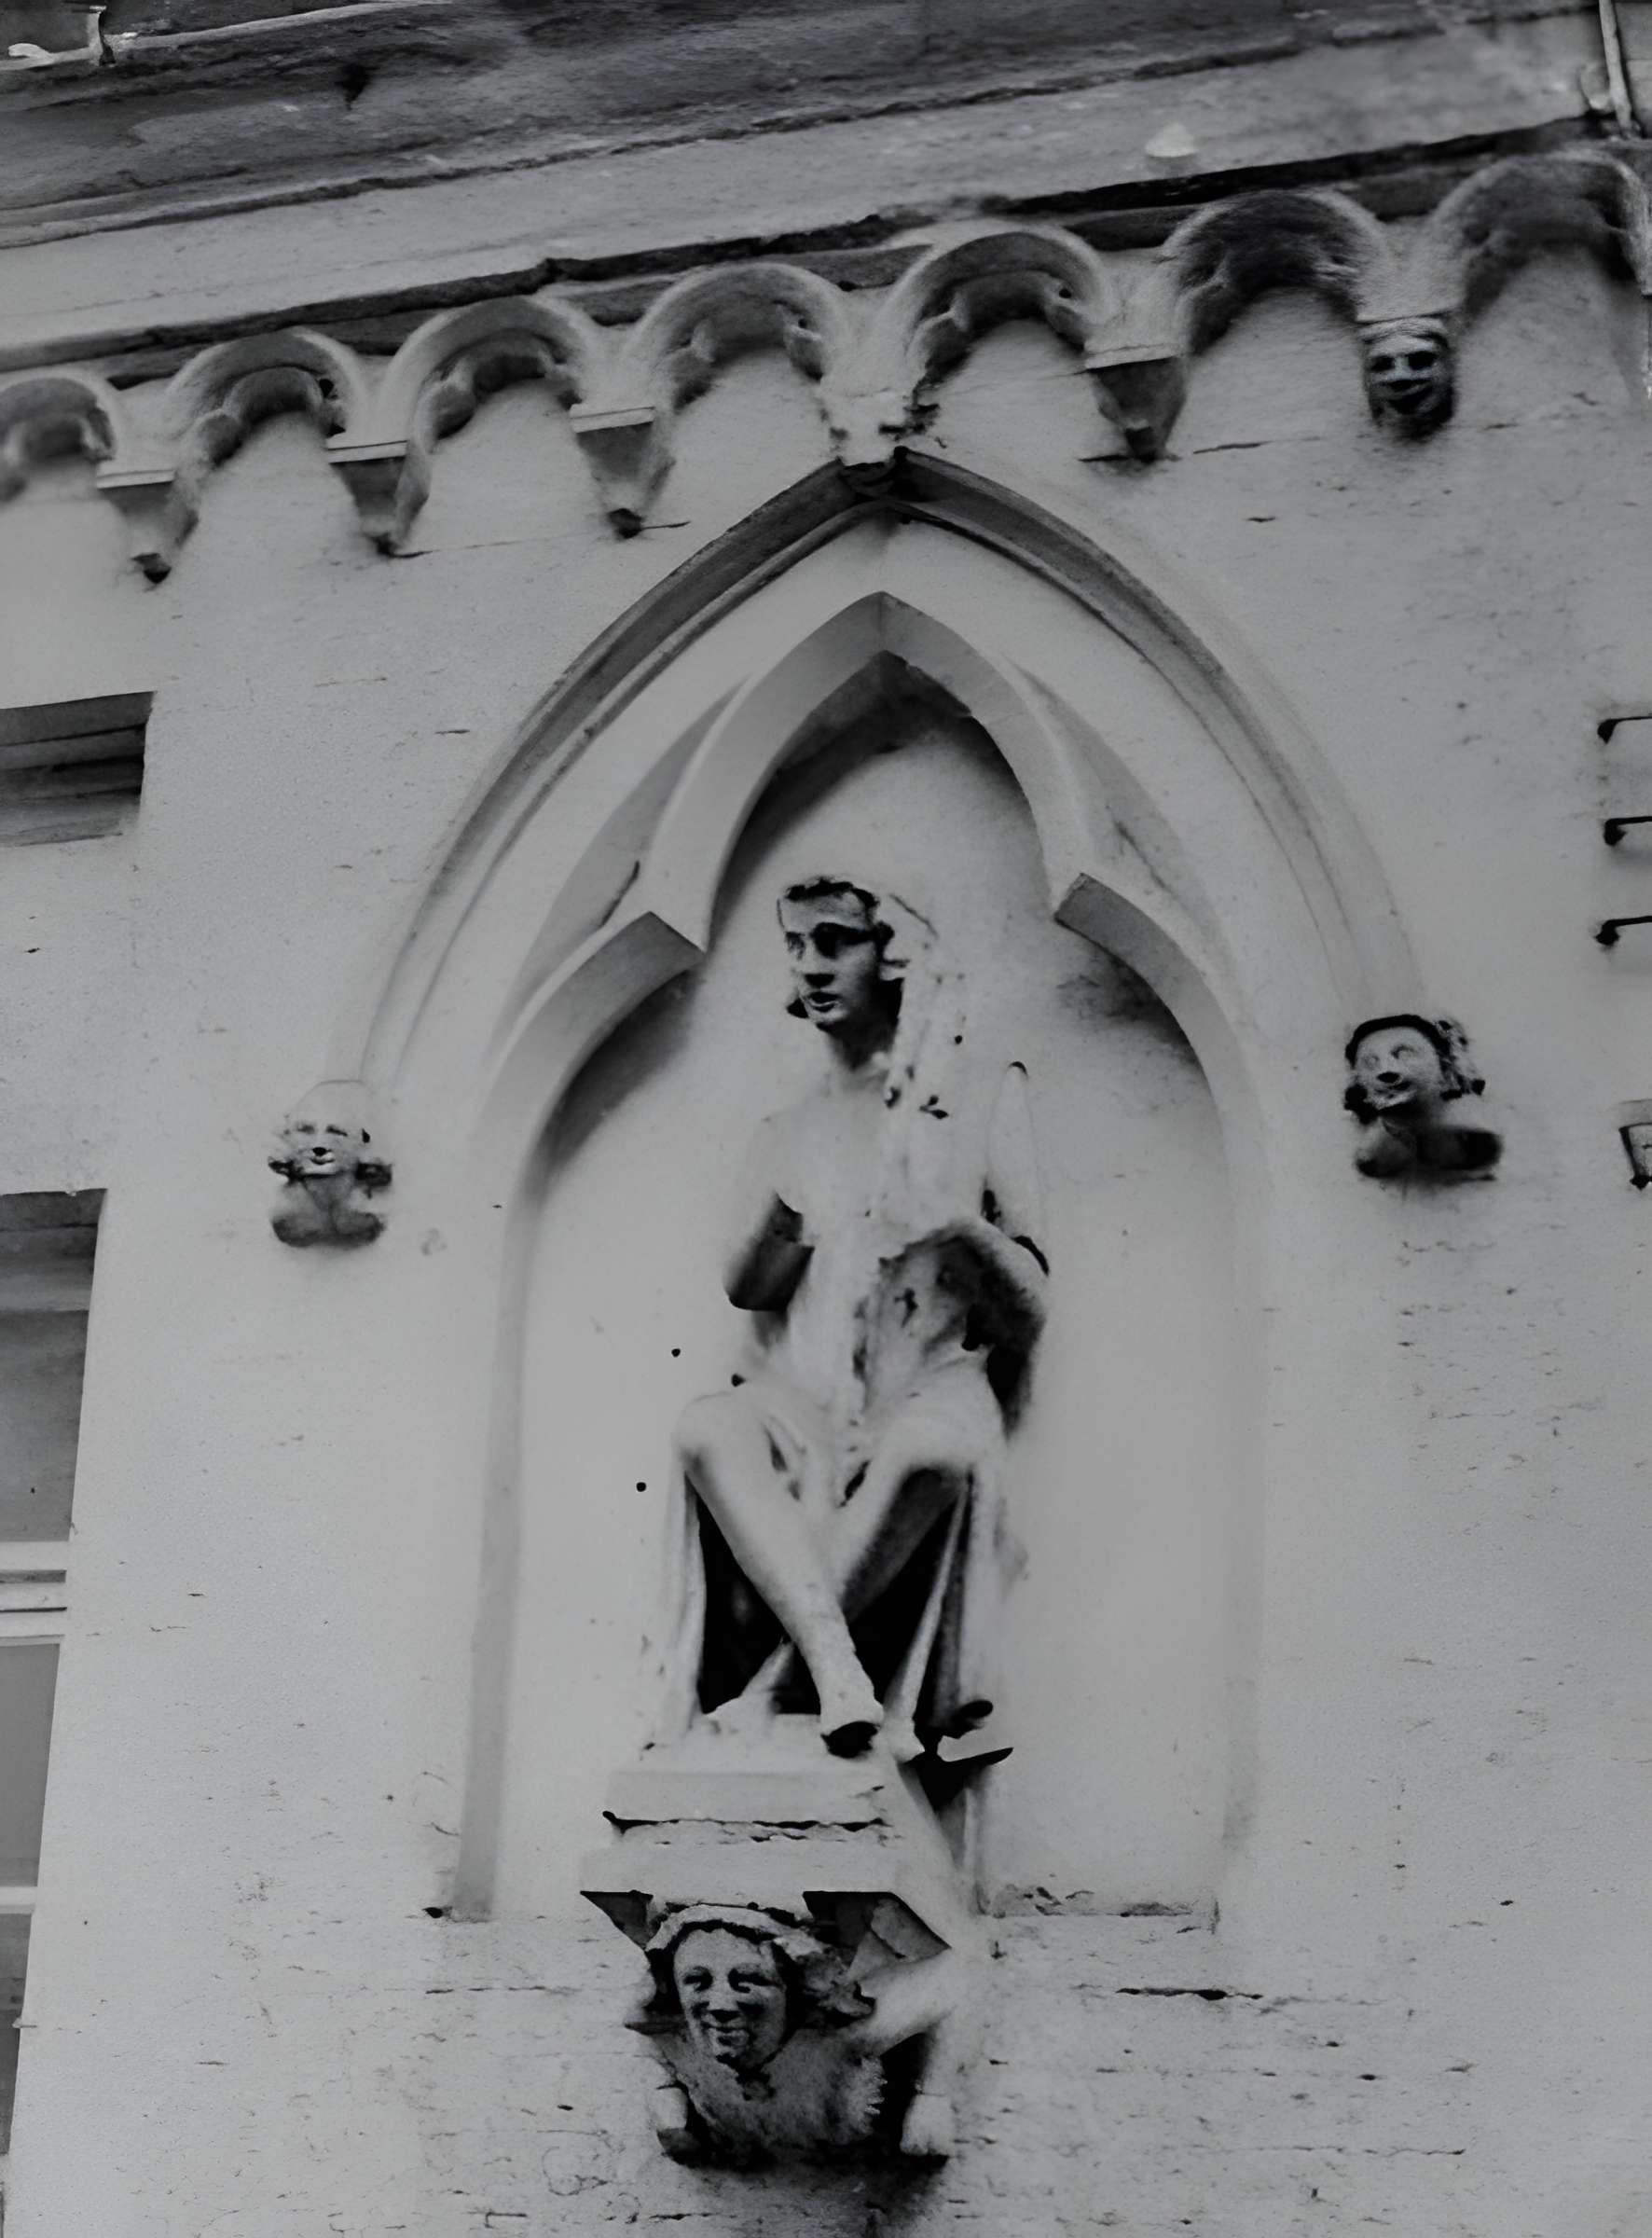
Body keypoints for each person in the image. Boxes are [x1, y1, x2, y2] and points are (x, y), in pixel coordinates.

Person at [652, 876, 1047, 1756]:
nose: (811, 966)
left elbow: (1030, 1306)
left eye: (835, 941)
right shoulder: (788, 1127)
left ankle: (773, 1688)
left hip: (926, 1388)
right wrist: (786, 1219)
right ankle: (834, 1667)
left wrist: (952, 1227)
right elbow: (749, 1287)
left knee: (934, 1455)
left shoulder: (976, 1100)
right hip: (801, 1401)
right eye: (797, 947)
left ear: (892, 953)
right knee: (707, 1427)